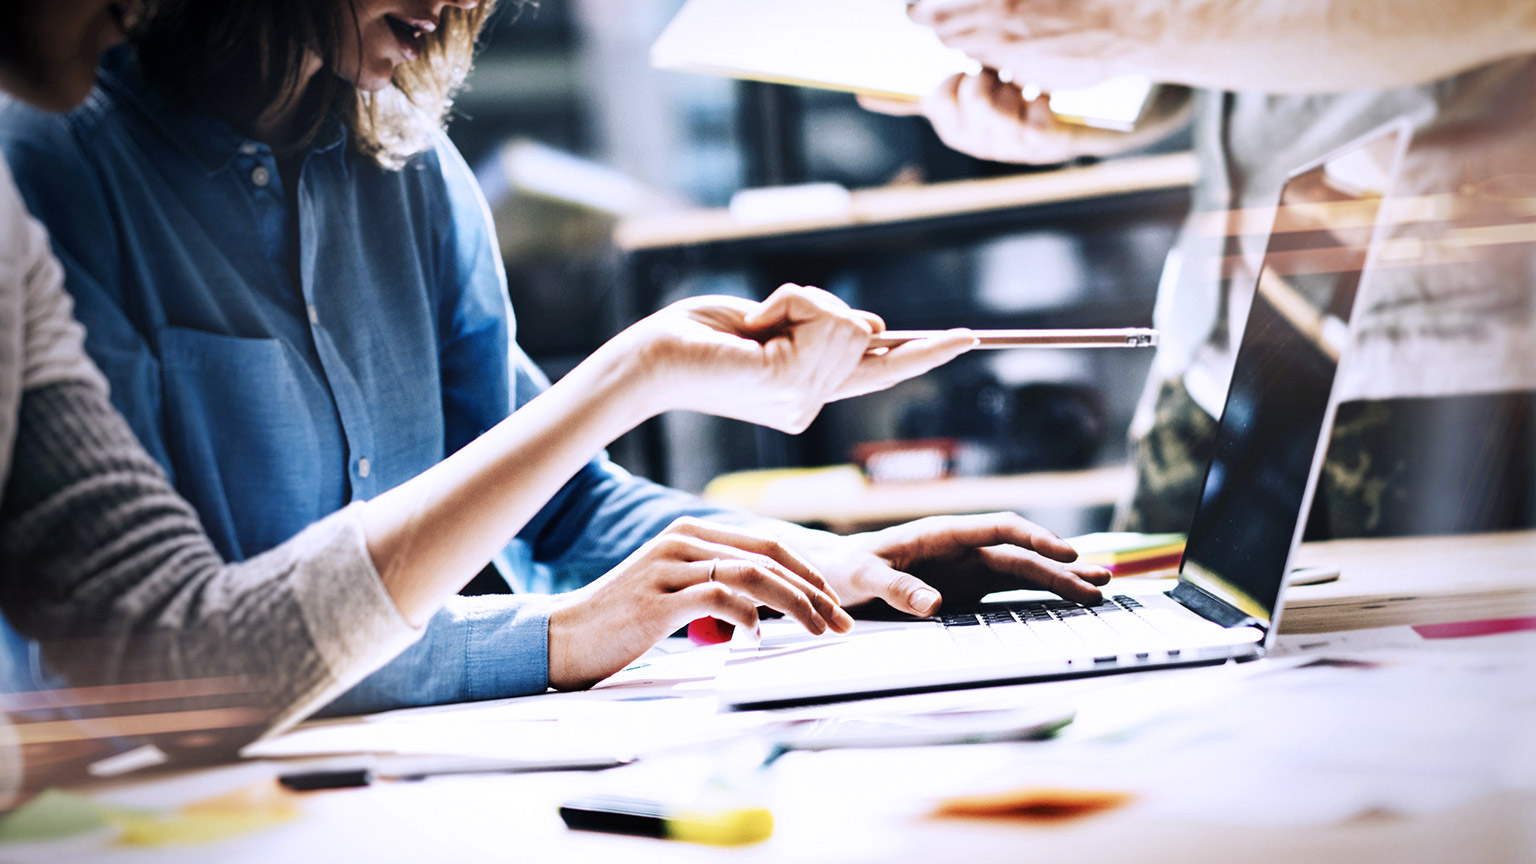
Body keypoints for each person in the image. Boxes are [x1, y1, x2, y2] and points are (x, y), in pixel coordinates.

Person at [0, 0, 1114, 720]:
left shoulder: (407, 167)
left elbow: (559, 508)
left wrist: (834, 570)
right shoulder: (44, 169)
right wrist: (558, 638)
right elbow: (146, 660)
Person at [881, 0, 1536, 538]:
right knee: (1138, 675)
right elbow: (1231, 76)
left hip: (1436, 368)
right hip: (1209, 354)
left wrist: (1125, 25)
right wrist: (1073, 110)